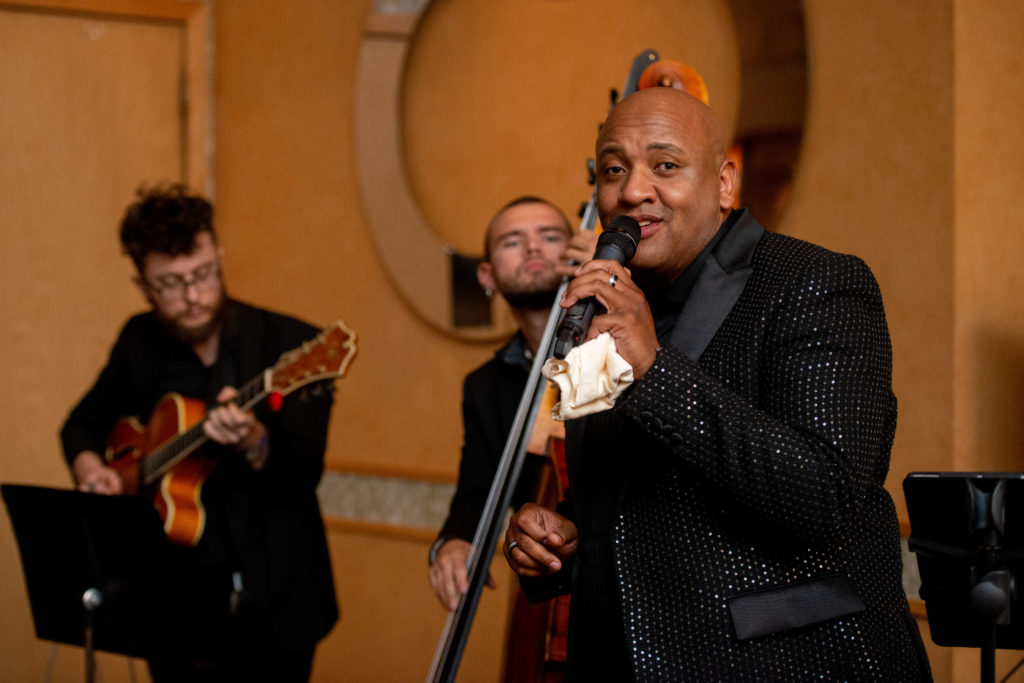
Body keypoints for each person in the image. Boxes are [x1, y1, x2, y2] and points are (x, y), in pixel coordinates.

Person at [502, 87, 932, 681]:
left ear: (725, 184)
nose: (633, 190)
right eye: (614, 170)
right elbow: (614, 499)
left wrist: (654, 369)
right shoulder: (601, 310)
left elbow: (827, 496)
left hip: (779, 666)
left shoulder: (817, 281)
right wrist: (562, 540)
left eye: (665, 165)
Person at [60, 184, 339, 683]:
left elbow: (303, 474)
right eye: (170, 284)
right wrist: (95, 471)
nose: (193, 296)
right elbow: (80, 424)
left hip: (276, 600)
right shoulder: (139, 341)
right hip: (175, 601)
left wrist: (253, 440)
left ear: (220, 258)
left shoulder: (290, 344)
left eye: (203, 274)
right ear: (142, 285)